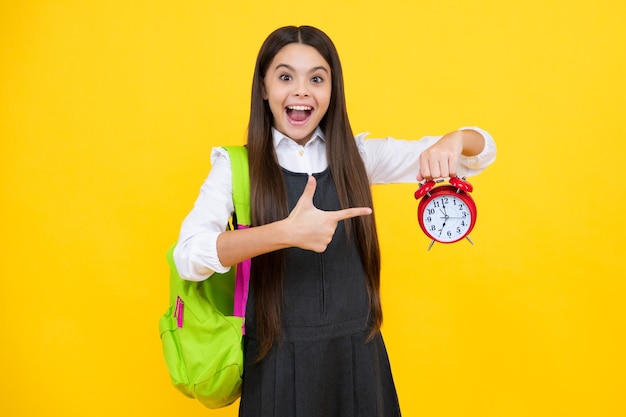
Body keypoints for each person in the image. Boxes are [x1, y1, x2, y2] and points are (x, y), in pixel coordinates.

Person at [173, 25, 496, 417]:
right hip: (276, 363)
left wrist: (454, 139)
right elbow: (188, 257)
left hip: (357, 360)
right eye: (286, 76)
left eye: (317, 78)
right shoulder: (235, 167)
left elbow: (480, 152)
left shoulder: (357, 156)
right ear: (263, 88)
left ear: (332, 90)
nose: (301, 90)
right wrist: (283, 232)